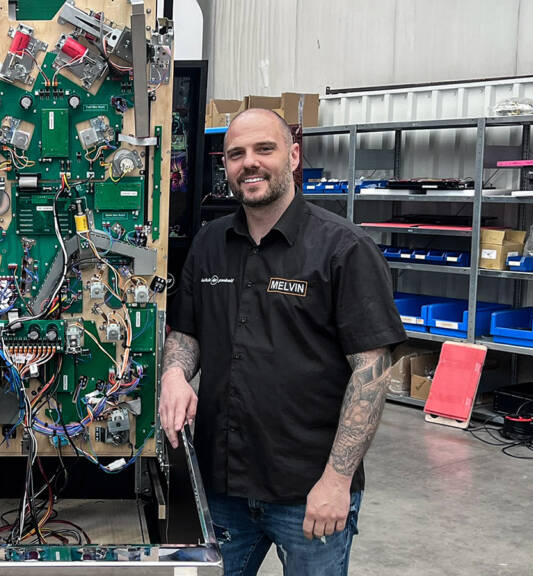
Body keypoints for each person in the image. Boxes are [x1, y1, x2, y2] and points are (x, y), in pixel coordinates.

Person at [159, 108, 404, 575]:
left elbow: (371, 371)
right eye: (236, 154)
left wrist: (337, 481)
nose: (249, 162)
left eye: (264, 149)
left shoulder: (344, 249)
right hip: (222, 487)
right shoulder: (209, 243)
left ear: (292, 157)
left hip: (308, 493)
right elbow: (187, 333)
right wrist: (174, 374)